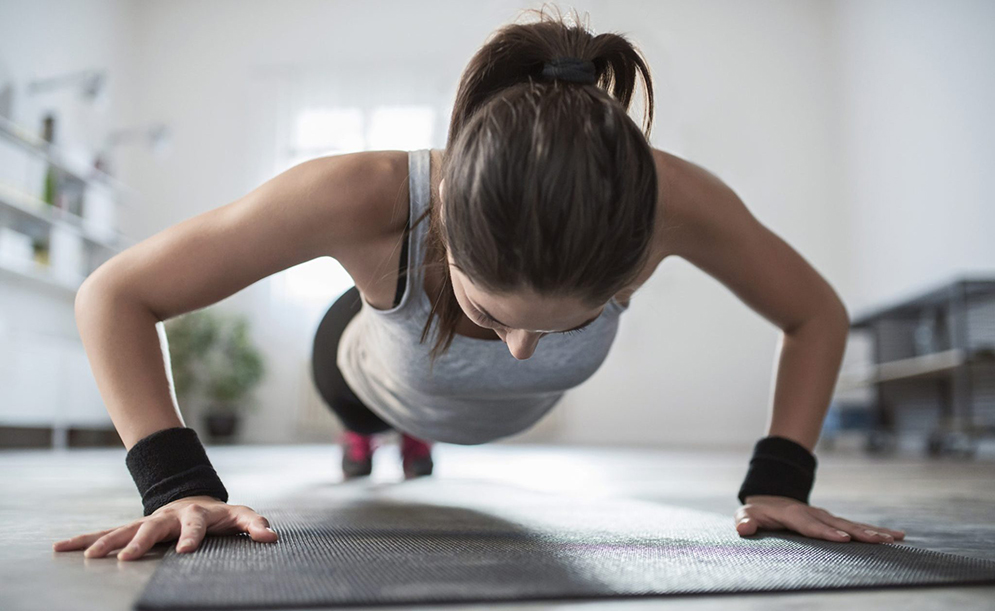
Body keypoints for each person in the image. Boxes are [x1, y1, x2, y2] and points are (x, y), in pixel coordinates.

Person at [54, 8, 904, 562]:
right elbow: (114, 294)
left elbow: (813, 313)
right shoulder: (364, 194)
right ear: (450, 224)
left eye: (564, 326)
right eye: (490, 313)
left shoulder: (667, 202)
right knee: (362, 395)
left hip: (471, 409)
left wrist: (779, 479)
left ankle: (414, 437)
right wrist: (176, 483)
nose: (525, 350)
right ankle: (373, 437)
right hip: (365, 365)